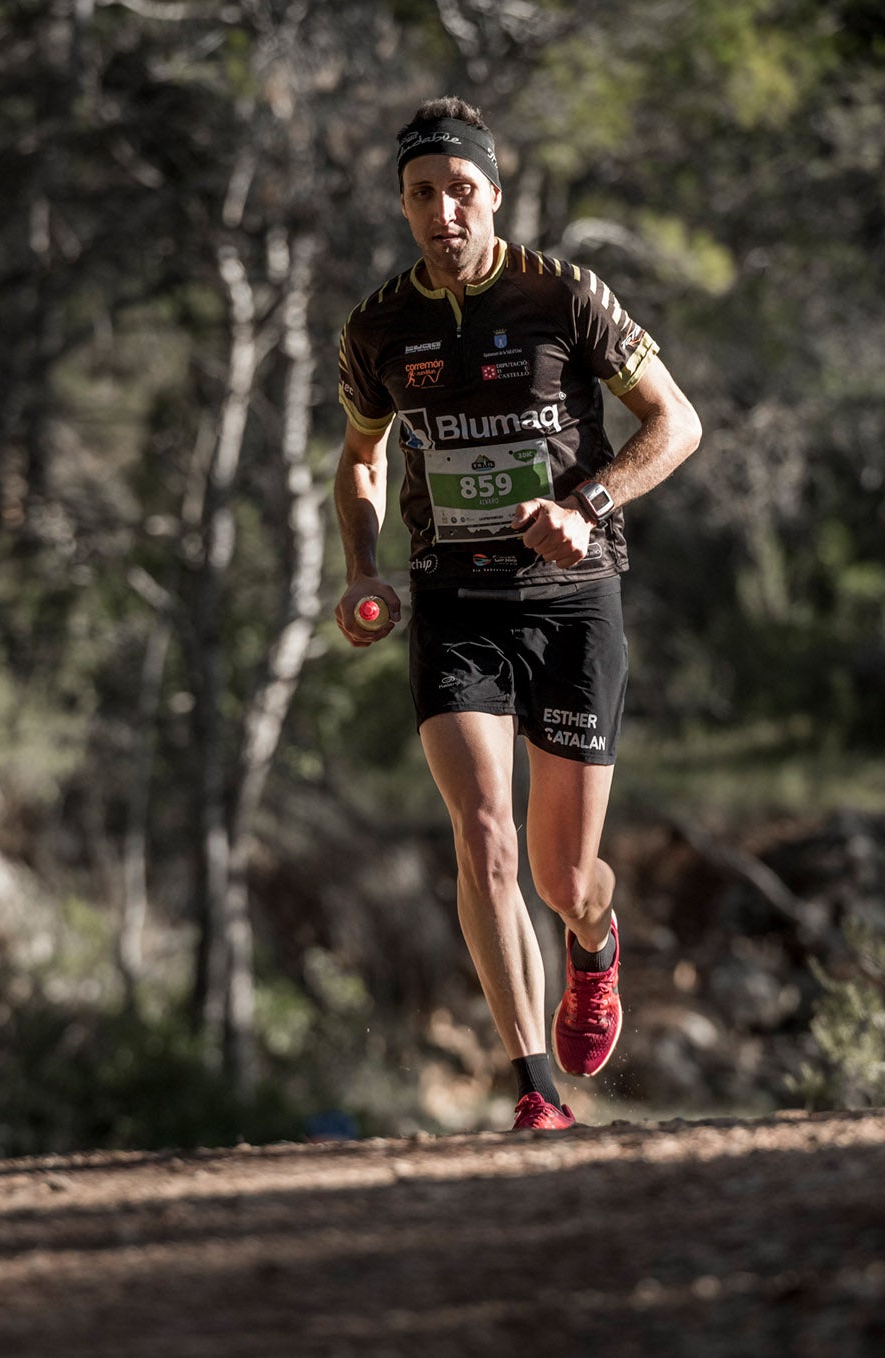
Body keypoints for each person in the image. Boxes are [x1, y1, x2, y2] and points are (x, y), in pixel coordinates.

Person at [332, 97, 703, 1131]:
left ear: (492, 195)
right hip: (455, 603)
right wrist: (362, 567)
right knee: (482, 833)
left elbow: (677, 423)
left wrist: (587, 506)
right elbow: (360, 459)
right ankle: (533, 1090)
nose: (441, 210)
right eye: (420, 194)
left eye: (459, 190)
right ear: (403, 208)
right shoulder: (377, 328)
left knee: (559, 873)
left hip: (573, 602)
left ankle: (593, 944)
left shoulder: (563, 294)